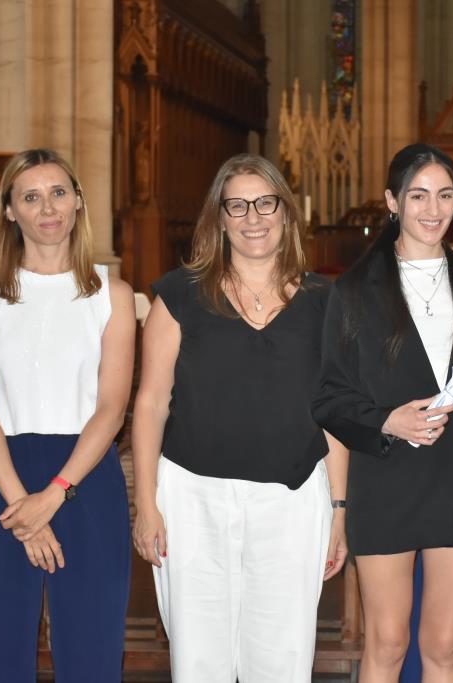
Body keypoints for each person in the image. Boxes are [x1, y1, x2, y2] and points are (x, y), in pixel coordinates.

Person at [130, 153, 348, 683]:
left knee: (281, 658)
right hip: (192, 497)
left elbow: (334, 413)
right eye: (238, 205)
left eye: (265, 203)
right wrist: (146, 502)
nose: (254, 217)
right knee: (199, 659)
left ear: (286, 213)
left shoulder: (326, 300)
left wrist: (338, 510)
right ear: (219, 218)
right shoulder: (179, 295)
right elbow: (151, 402)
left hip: (293, 500)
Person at [312, 143, 453, 681]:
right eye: (418, 195)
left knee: (443, 646)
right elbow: (329, 396)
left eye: (444, 195)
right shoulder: (353, 290)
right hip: (387, 476)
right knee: (388, 643)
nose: (432, 208)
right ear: (392, 201)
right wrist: (387, 420)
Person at [0, 148, 135, 681]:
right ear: (9, 211)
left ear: (78, 202)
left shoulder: (112, 295)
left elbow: (112, 408)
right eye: (30, 197)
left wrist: (55, 493)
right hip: (0, 473)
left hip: (84, 473)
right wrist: (21, 506)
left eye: (58, 193)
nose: (47, 208)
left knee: (92, 645)